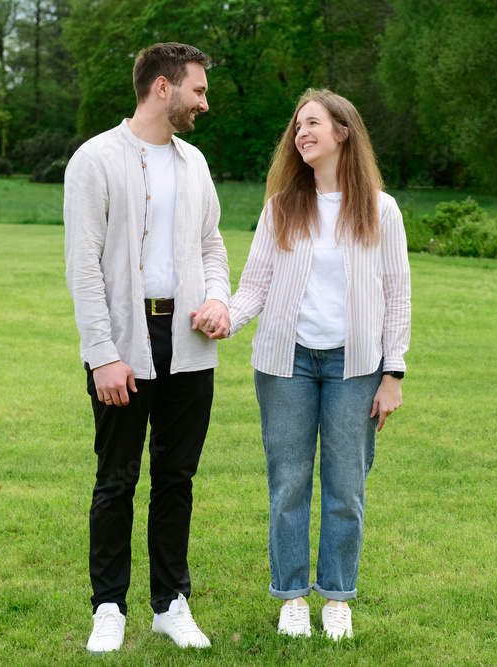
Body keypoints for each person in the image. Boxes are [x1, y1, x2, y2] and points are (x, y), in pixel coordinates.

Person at [194, 88, 411, 640]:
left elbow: (397, 295)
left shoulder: (381, 210)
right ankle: (291, 596)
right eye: (296, 127)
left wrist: (393, 373)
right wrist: (225, 316)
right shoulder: (282, 206)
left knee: (347, 486)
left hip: (355, 368)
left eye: (311, 123)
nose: (300, 133)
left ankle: (336, 597)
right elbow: (256, 285)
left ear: (343, 131)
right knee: (288, 482)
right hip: (285, 365)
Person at [64, 42, 231, 655]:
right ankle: (108, 606)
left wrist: (217, 299)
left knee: (176, 480)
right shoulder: (96, 159)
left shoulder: (195, 164)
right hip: (124, 344)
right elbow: (84, 268)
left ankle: (170, 604)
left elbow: (212, 246)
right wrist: (103, 354)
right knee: (116, 480)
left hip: (188, 345)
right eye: (199, 90)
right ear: (164, 88)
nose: (204, 103)